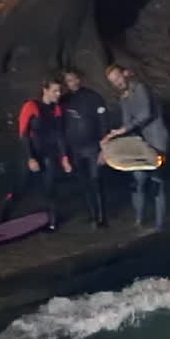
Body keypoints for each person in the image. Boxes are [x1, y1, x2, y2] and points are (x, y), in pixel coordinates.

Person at [102, 64, 168, 231]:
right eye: (113, 81)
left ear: (125, 73)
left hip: (157, 140)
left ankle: (159, 226)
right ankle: (138, 221)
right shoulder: (123, 98)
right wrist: (112, 137)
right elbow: (126, 123)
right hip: (141, 142)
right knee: (138, 180)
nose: (117, 82)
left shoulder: (140, 88)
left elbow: (146, 113)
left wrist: (124, 129)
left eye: (118, 77)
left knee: (156, 181)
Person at [2, 77, 72, 230]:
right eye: (55, 91)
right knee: (21, 188)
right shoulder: (31, 106)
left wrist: (64, 157)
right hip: (32, 153)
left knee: (51, 187)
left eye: (59, 91)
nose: (58, 94)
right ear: (45, 90)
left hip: (48, 153)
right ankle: (4, 216)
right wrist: (30, 158)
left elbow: (59, 135)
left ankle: (53, 223)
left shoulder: (56, 109)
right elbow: (23, 134)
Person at [61, 68, 109, 228]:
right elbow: (60, 127)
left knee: (96, 181)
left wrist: (104, 149)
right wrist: (64, 154)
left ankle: (102, 217)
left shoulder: (93, 97)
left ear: (80, 79)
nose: (72, 83)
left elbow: (103, 124)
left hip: (92, 147)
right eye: (69, 80)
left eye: (74, 79)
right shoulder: (63, 100)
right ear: (66, 83)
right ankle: (92, 214)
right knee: (83, 183)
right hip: (74, 149)